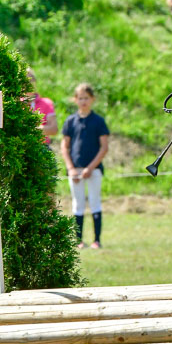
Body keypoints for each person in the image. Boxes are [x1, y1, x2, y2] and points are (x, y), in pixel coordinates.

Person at [61, 83, 109, 250]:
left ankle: (97, 240)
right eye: (80, 98)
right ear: (75, 99)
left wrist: (90, 168)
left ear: (92, 99)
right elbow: (65, 146)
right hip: (75, 170)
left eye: (86, 98)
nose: (83, 101)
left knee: (95, 202)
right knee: (77, 204)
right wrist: (71, 168)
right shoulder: (70, 121)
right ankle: (78, 240)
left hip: (94, 170)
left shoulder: (98, 121)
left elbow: (104, 147)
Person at [26, 68, 58, 145]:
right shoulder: (16, 103)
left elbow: (53, 129)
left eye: (31, 80)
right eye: (25, 81)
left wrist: (30, 129)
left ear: (35, 82)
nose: (28, 83)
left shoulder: (46, 103)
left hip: (42, 146)